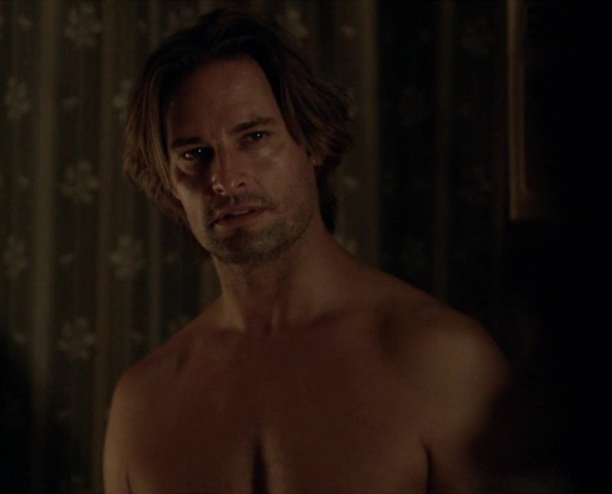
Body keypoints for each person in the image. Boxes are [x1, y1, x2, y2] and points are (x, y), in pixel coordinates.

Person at [104, 9, 506, 494]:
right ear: (169, 181)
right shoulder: (143, 402)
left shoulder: (440, 360)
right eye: (194, 154)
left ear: (313, 143)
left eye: (255, 137)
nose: (225, 178)